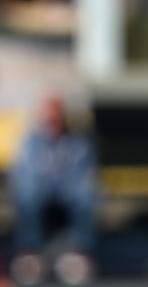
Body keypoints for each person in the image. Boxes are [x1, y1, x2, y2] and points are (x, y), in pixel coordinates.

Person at [8, 94, 96, 286]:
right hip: (40, 191)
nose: (52, 123)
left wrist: (69, 189)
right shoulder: (31, 143)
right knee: (27, 195)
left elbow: (81, 174)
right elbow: (25, 174)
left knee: (85, 196)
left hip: (67, 192)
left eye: (56, 118)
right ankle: (29, 252)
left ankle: (79, 252)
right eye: (48, 118)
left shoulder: (77, 142)